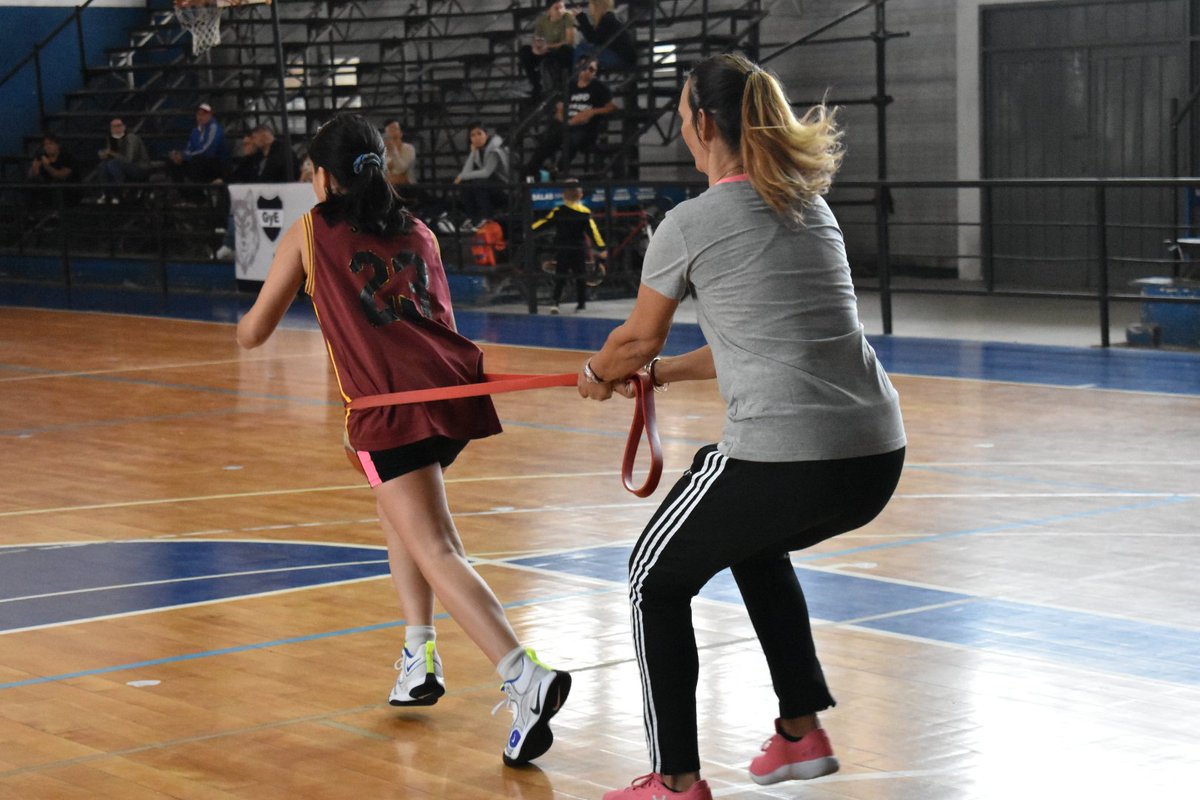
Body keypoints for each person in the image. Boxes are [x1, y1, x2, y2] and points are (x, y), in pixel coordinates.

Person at [576, 53, 907, 800]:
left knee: (650, 580)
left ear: (701, 124)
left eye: (683, 113)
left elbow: (634, 338)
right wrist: (656, 377)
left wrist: (603, 373)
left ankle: (675, 781)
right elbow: (751, 343)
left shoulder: (690, 223)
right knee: (753, 542)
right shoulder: (807, 205)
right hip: (875, 454)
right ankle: (800, 732)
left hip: (788, 455)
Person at [235, 113, 570, 767]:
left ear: (323, 177)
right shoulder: (418, 229)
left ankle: (522, 674)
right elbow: (436, 316)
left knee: (436, 545)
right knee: (402, 520)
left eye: (310, 172)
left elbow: (255, 331)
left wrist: (250, 321)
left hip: (390, 409)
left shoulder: (309, 231)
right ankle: (418, 657)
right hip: (451, 397)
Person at [523, 56, 616, 179]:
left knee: (572, 139)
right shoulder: (570, 85)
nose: (587, 71)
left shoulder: (599, 87)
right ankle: (530, 171)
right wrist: (565, 120)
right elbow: (560, 108)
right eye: (585, 67)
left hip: (586, 127)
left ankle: (558, 169)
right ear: (578, 67)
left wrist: (592, 112)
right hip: (567, 123)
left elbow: (612, 107)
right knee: (549, 140)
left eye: (592, 69)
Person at [531, 179, 606, 313]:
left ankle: (555, 303)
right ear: (580, 195)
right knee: (580, 276)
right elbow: (593, 232)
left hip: (563, 248)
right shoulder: (585, 212)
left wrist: (529, 230)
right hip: (578, 248)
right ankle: (581, 303)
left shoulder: (558, 211)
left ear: (563, 195)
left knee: (560, 276)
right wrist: (601, 247)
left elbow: (544, 223)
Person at [453, 121, 511, 230]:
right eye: (473, 135)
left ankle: (485, 218)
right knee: (466, 183)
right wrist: (473, 152)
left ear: (487, 135)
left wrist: (462, 176)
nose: (476, 138)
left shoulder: (495, 149)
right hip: (492, 186)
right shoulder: (479, 149)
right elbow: (466, 171)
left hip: (507, 188)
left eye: (479, 133)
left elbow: (486, 172)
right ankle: (472, 218)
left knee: (478, 182)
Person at [517, 1, 577, 97]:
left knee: (565, 50)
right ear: (549, 11)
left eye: (562, 7)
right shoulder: (542, 21)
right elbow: (537, 39)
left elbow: (569, 41)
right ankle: (536, 85)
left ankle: (563, 84)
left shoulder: (567, 18)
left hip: (562, 51)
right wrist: (536, 49)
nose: (560, 11)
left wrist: (548, 46)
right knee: (525, 52)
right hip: (547, 51)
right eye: (556, 8)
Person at [168, 102, 227, 186]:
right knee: (173, 162)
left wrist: (184, 156)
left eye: (203, 114)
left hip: (216, 164)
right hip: (200, 162)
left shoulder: (214, 128)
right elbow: (189, 149)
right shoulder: (195, 131)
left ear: (210, 115)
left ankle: (198, 192)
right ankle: (186, 193)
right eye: (198, 114)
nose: (200, 117)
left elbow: (208, 151)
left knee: (198, 160)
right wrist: (180, 156)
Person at [96, 117, 150, 202]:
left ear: (124, 127)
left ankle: (119, 190)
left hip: (139, 168)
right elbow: (112, 156)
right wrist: (105, 154)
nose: (116, 129)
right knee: (103, 165)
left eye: (118, 126)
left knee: (112, 164)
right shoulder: (112, 139)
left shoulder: (131, 138)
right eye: (113, 127)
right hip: (121, 167)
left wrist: (111, 152)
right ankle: (106, 194)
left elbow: (129, 159)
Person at [574, 0, 636, 72]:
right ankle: (582, 73)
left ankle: (576, 76)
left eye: (590, 4)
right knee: (586, 53)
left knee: (582, 47)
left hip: (620, 58)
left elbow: (593, 39)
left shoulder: (606, 20)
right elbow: (594, 38)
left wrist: (581, 17)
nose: (589, 7)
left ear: (597, 6)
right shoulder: (609, 18)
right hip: (622, 57)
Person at [27, 134, 79, 215]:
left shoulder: (67, 157)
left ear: (58, 145)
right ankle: (31, 217)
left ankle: (56, 216)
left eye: (51, 144)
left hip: (69, 190)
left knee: (56, 183)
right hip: (47, 190)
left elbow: (61, 176)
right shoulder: (42, 156)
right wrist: (34, 167)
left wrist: (47, 166)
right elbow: (31, 176)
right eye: (45, 145)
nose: (48, 147)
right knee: (31, 184)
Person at [383, 119, 416, 187]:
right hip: (388, 186)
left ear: (401, 133)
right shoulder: (383, 150)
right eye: (389, 129)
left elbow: (401, 168)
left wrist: (394, 151)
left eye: (395, 128)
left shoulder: (409, 148)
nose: (391, 131)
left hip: (407, 186)